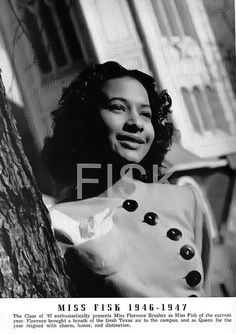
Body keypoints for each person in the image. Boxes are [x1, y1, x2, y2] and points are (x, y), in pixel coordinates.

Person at [42, 61, 212, 297]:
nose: (136, 123)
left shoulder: (185, 199)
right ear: (85, 121)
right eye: (118, 108)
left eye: (146, 113)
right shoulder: (60, 222)